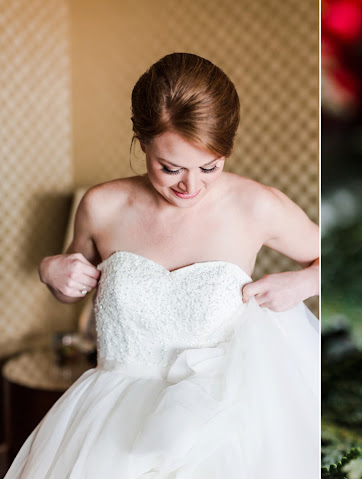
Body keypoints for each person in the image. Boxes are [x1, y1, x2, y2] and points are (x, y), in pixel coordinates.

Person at [6, 52, 319, 478]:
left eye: (209, 166)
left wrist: (301, 283)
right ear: (142, 142)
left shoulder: (255, 205)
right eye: (169, 168)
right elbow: (71, 282)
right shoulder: (102, 206)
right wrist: (52, 270)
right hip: (109, 423)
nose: (190, 185)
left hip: (219, 430)